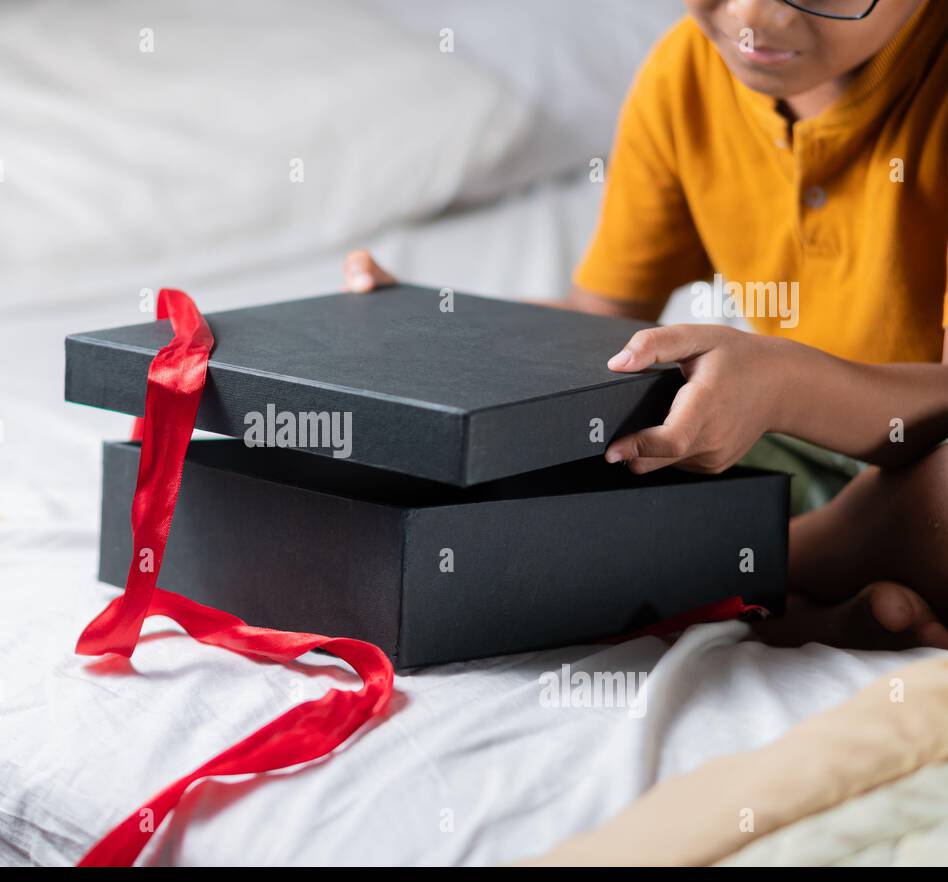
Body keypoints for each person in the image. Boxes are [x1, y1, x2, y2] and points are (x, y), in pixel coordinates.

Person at [344, 0, 948, 649]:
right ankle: (804, 594)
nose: (750, 15)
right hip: (773, 447)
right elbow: (598, 325)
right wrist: (439, 329)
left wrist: (782, 383)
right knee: (554, 444)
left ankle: (780, 564)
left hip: (922, 460)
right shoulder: (684, 75)